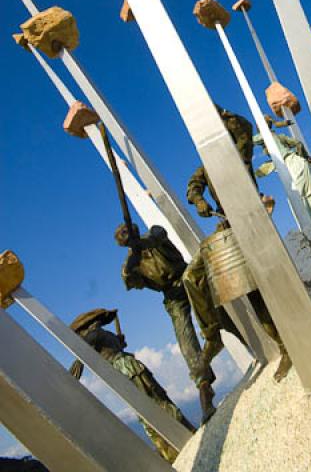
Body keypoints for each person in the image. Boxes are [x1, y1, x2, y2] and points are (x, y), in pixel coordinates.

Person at [185, 163, 292, 383]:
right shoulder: (206, 166)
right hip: (226, 224)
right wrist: (198, 200)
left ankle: (286, 347)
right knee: (191, 276)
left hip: (249, 218)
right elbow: (193, 186)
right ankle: (213, 335)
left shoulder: (235, 146)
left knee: (256, 292)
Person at [114, 221, 217, 423]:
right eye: (123, 235)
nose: (128, 235)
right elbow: (129, 280)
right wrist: (131, 265)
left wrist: (145, 244)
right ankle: (203, 384)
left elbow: (159, 233)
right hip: (172, 295)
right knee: (185, 338)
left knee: (218, 315)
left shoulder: (153, 235)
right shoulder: (130, 263)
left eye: (129, 231)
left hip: (189, 277)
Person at [69, 308, 195, 463]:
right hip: (131, 369)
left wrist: (71, 376)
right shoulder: (104, 334)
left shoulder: (94, 335)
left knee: (151, 408)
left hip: (126, 371)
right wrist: (119, 341)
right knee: (157, 402)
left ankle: (171, 447)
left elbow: (81, 351)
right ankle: (178, 438)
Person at [253, 116, 311, 221]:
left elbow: (253, 140)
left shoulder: (266, 135)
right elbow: (298, 144)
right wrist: (305, 157)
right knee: (305, 192)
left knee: (300, 194)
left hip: (292, 162)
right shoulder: (278, 136)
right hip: (291, 164)